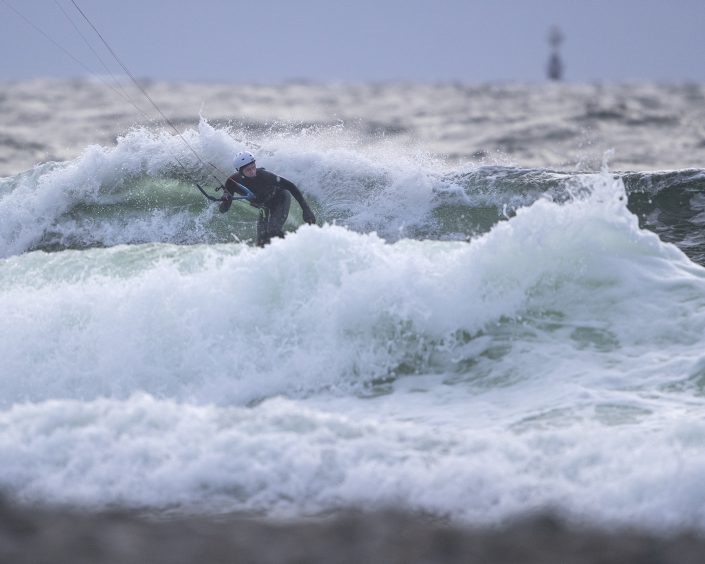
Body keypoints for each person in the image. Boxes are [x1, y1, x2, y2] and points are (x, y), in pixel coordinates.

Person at [219, 151, 316, 246]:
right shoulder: (232, 182)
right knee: (262, 242)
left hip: (280, 199)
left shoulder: (264, 175)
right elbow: (224, 209)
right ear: (240, 171)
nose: (253, 172)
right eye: (248, 170)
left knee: (273, 230)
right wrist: (225, 200)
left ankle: (298, 245)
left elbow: (291, 186)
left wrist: (306, 209)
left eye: (253, 167)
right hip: (264, 207)